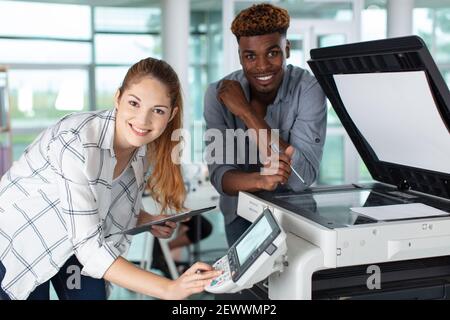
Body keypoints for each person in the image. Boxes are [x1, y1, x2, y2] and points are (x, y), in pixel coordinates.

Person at [0, 57, 221, 300]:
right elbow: (90, 249)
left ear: (171, 115)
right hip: (21, 241)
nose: (143, 120)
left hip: (75, 242)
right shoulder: (77, 142)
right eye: (134, 103)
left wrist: (146, 219)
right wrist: (169, 288)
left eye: (157, 110)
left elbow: (106, 205)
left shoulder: (143, 150)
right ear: (118, 98)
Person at [204, 3, 327, 246]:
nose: (262, 66)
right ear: (240, 56)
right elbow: (221, 178)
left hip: (297, 216)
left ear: (287, 49)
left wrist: (246, 112)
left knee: (300, 283)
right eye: (250, 56)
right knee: (251, 286)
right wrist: (262, 179)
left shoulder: (308, 89)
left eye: (272, 53)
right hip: (240, 216)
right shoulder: (217, 94)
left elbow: (301, 177)